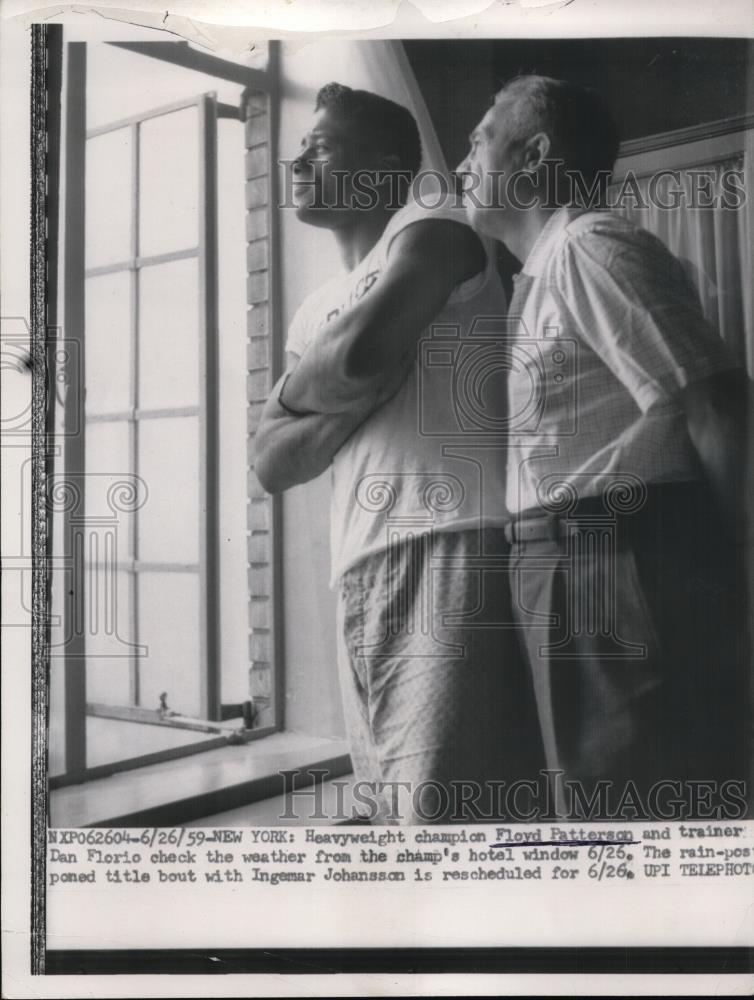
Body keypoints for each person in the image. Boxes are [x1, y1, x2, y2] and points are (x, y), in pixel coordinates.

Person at [456, 74, 751, 819]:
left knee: (633, 804)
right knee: (596, 802)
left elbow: (714, 404)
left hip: (615, 559)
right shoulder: (544, 269)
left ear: (535, 155)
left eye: (480, 138)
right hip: (564, 564)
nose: (463, 160)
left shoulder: (592, 246)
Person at [254, 82, 544, 824]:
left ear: (385, 170)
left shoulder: (437, 232)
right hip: (360, 571)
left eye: (319, 148)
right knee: (398, 820)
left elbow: (357, 358)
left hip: (448, 546)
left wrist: (304, 400)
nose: (296, 163)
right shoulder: (312, 305)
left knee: (441, 822)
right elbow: (270, 462)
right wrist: (317, 411)